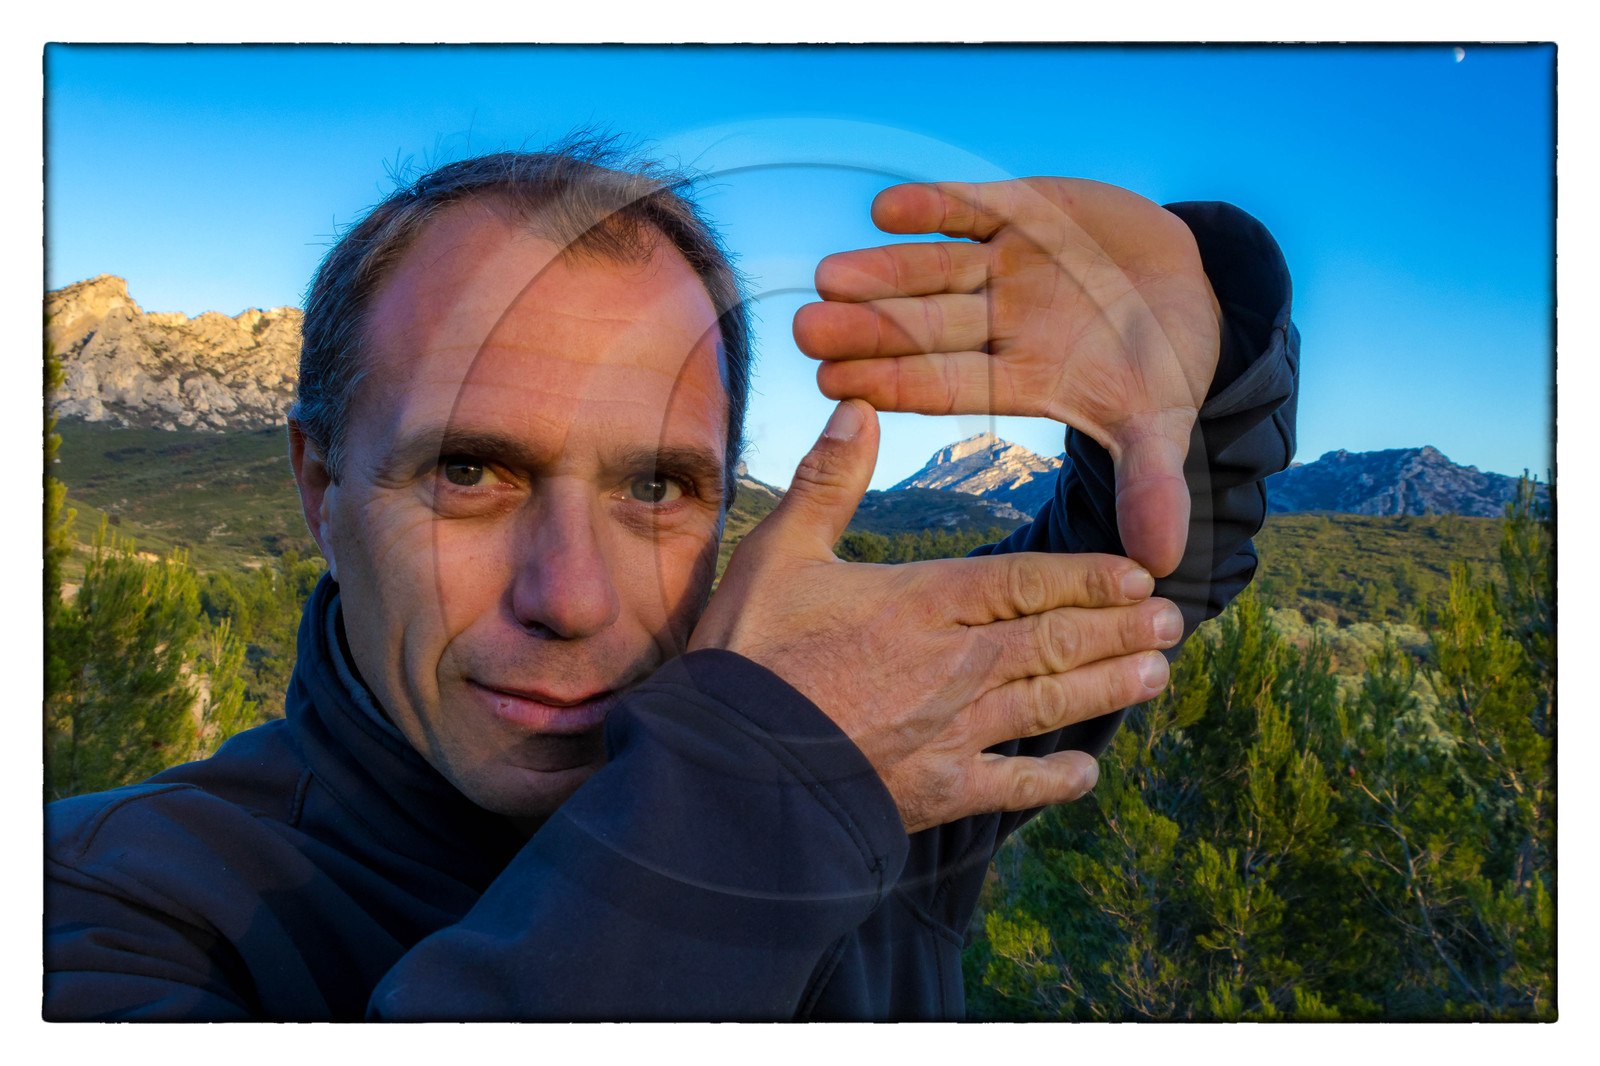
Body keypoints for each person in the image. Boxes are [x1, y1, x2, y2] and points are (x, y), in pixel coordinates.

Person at [43, 140, 1299, 1021]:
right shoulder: (102, 905)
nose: (572, 596)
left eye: (655, 490)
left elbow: (1131, 576)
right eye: (471, 471)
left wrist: (1204, 355)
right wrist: (757, 788)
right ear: (322, 488)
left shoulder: (886, 759)